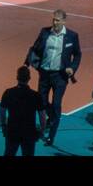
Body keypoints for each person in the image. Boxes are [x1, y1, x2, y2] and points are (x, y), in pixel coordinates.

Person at [25, 9, 81, 147]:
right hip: (44, 74)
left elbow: (78, 54)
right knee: (42, 103)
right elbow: (35, 48)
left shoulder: (72, 36)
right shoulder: (44, 32)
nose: (54, 22)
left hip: (60, 76)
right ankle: (51, 119)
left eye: (57, 20)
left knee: (56, 104)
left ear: (63, 21)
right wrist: (28, 62)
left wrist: (72, 69)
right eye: (53, 19)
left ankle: (51, 136)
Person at [0, 65, 46, 157]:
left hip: (12, 131)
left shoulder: (8, 93)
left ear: (17, 77)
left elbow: (2, 112)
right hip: (29, 133)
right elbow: (42, 116)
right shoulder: (36, 96)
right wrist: (41, 131)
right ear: (29, 78)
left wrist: (4, 126)